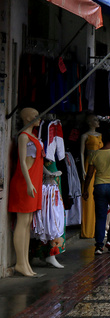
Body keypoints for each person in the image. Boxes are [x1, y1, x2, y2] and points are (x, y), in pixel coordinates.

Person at [8, 108, 45, 277]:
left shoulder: (34, 137)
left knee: (28, 222)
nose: (39, 119)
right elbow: (22, 162)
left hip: (33, 182)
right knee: (22, 222)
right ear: (27, 118)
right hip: (25, 183)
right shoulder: (24, 137)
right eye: (35, 116)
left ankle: (25, 262)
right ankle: (20, 263)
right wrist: (29, 183)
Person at [80, 114, 103, 239]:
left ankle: (97, 227)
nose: (98, 121)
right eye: (95, 119)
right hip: (89, 165)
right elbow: (82, 153)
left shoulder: (100, 136)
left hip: (99, 166)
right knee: (88, 196)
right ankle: (88, 229)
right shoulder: (85, 136)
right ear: (89, 122)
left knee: (98, 196)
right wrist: (83, 169)